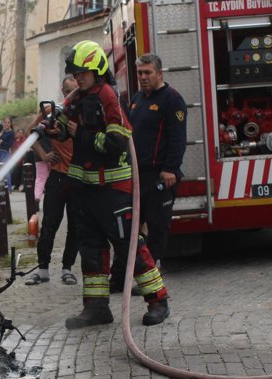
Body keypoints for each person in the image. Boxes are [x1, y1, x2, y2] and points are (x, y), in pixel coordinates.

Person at [56, 40, 169, 329]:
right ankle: (96, 308)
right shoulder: (78, 98)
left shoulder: (108, 96)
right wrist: (55, 129)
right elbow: (64, 126)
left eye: (83, 73)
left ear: (96, 70)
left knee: (129, 246)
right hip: (87, 191)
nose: (78, 78)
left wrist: (78, 132)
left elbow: (116, 143)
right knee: (91, 249)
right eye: (75, 73)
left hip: (113, 192)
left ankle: (158, 301)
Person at [109, 53, 186, 325]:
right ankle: (120, 278)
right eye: (140, 72)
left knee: (157, 229)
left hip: (159, 176)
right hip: (136, 175)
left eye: (147, 73)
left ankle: (154, 284)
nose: (142, 77)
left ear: (159, 73)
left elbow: (178, 138)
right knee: (129, 229)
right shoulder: (138, 99)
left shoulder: (171, 99)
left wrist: (170, 169)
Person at [25, 76, 80, 287]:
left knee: (75, 227)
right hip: (57, 176)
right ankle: (43, 269)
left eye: (73, 91)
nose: (70, 95)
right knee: (49, 223)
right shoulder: (53, 111)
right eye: (67, 91)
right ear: (62, 90)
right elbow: (32, 132)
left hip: (78, 178)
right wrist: (44, 154)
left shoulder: (84, 110)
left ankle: (67, 268)